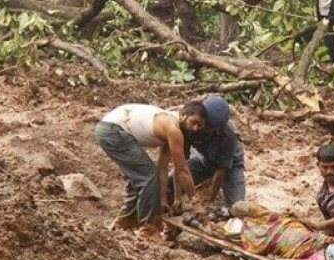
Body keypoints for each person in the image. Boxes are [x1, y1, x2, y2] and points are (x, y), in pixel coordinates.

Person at [94, 102, 206, 241]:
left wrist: (163, 199)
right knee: (147, 176)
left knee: (139, 177)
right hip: (113, 131)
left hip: (110, 129)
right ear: (183, 115)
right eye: (193, 122)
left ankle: (124, 221)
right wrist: (196, 203)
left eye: (199, 126)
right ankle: (150, 231)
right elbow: (182, 170)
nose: (195, 128)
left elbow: (163, 166)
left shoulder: (171, 126)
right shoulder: (173, 129)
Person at [171, 96, 246, 208]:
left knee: (237, 208)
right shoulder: (193, 123)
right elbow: (180, 164)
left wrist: (210, 202)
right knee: (169, 184)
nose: (206, 129)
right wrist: (177, 197)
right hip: (204, 161)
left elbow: (222, 170)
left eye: (212, 127)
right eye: (206, 124)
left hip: (231, 166)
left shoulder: (228, 134)